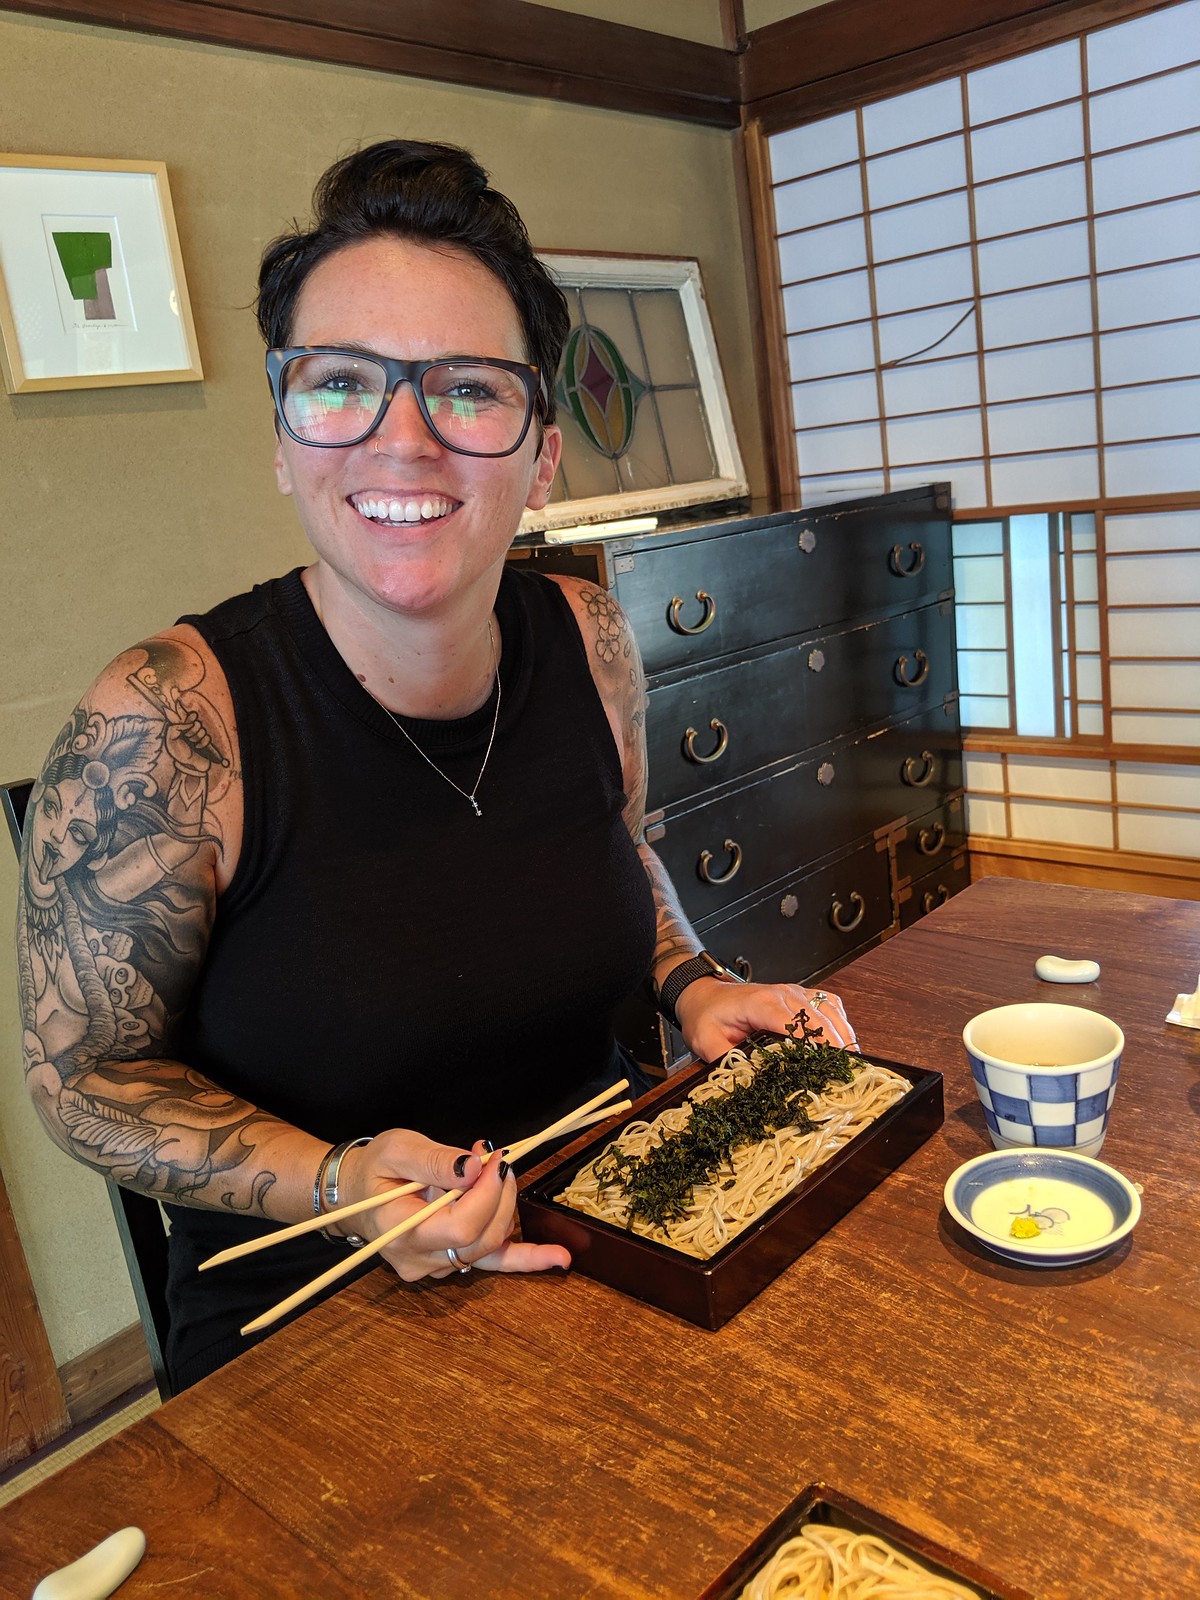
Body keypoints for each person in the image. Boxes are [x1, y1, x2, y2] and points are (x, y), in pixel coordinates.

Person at [15, 140, 856, 1391]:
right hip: (314, 1322)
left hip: (605, 1227)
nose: (402, 440)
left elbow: (621, 847)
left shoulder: (588, 636)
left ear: (542, 453)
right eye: (342, 383)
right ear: (285, 439)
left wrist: (690, 984)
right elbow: (83, 1077)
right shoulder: (167, 717)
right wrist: (340, 1182)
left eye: (466, 389)